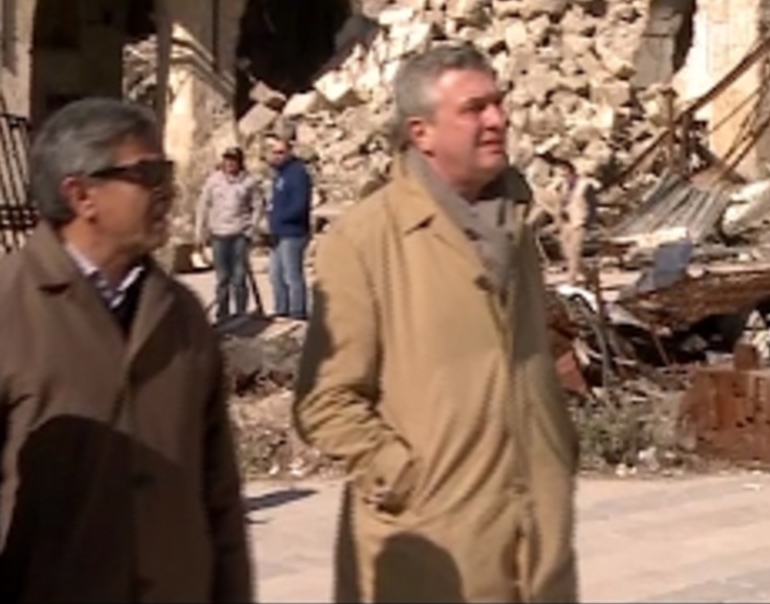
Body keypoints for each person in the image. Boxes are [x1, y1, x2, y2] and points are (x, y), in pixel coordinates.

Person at [0, 98, 253, 603]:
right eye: (147, 174)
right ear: (81, 195)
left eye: (164, 172)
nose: (167, 190)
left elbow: (220, 494)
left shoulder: (182, 314)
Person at [294, 42, 580, 604]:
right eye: (474, 109)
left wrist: (556, 447)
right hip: (432, 553)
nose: (497, 119)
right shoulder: (365, 239)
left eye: (497, 103)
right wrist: (405, 475)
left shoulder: (517, 223)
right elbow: (325, 401)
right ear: (421, 132)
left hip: (538, 549)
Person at [196, 146, 265, 322]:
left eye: (233, 160)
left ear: (240, 162)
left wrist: (251, 229)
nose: (229, 163)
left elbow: (258, 206)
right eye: (227, 159)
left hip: (239, 234)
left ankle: (241, 312)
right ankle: (223, 313)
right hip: (219, 234)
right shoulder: (213, 180)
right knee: (222, 278)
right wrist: (200, 232)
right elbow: (203, 206)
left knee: (239, 276)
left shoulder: (248, 182)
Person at [263, 134, 312, 320]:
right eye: (274, 152)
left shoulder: (298, 174)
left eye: (281, 152)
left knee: (292, 275)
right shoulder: (280, 175)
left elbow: (300, 205)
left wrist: (280, 219)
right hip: (278, 233)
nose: (277, 156)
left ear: (290, 152)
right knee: (275, 275)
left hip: (293, 233)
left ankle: (297, 311)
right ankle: (281, 309)